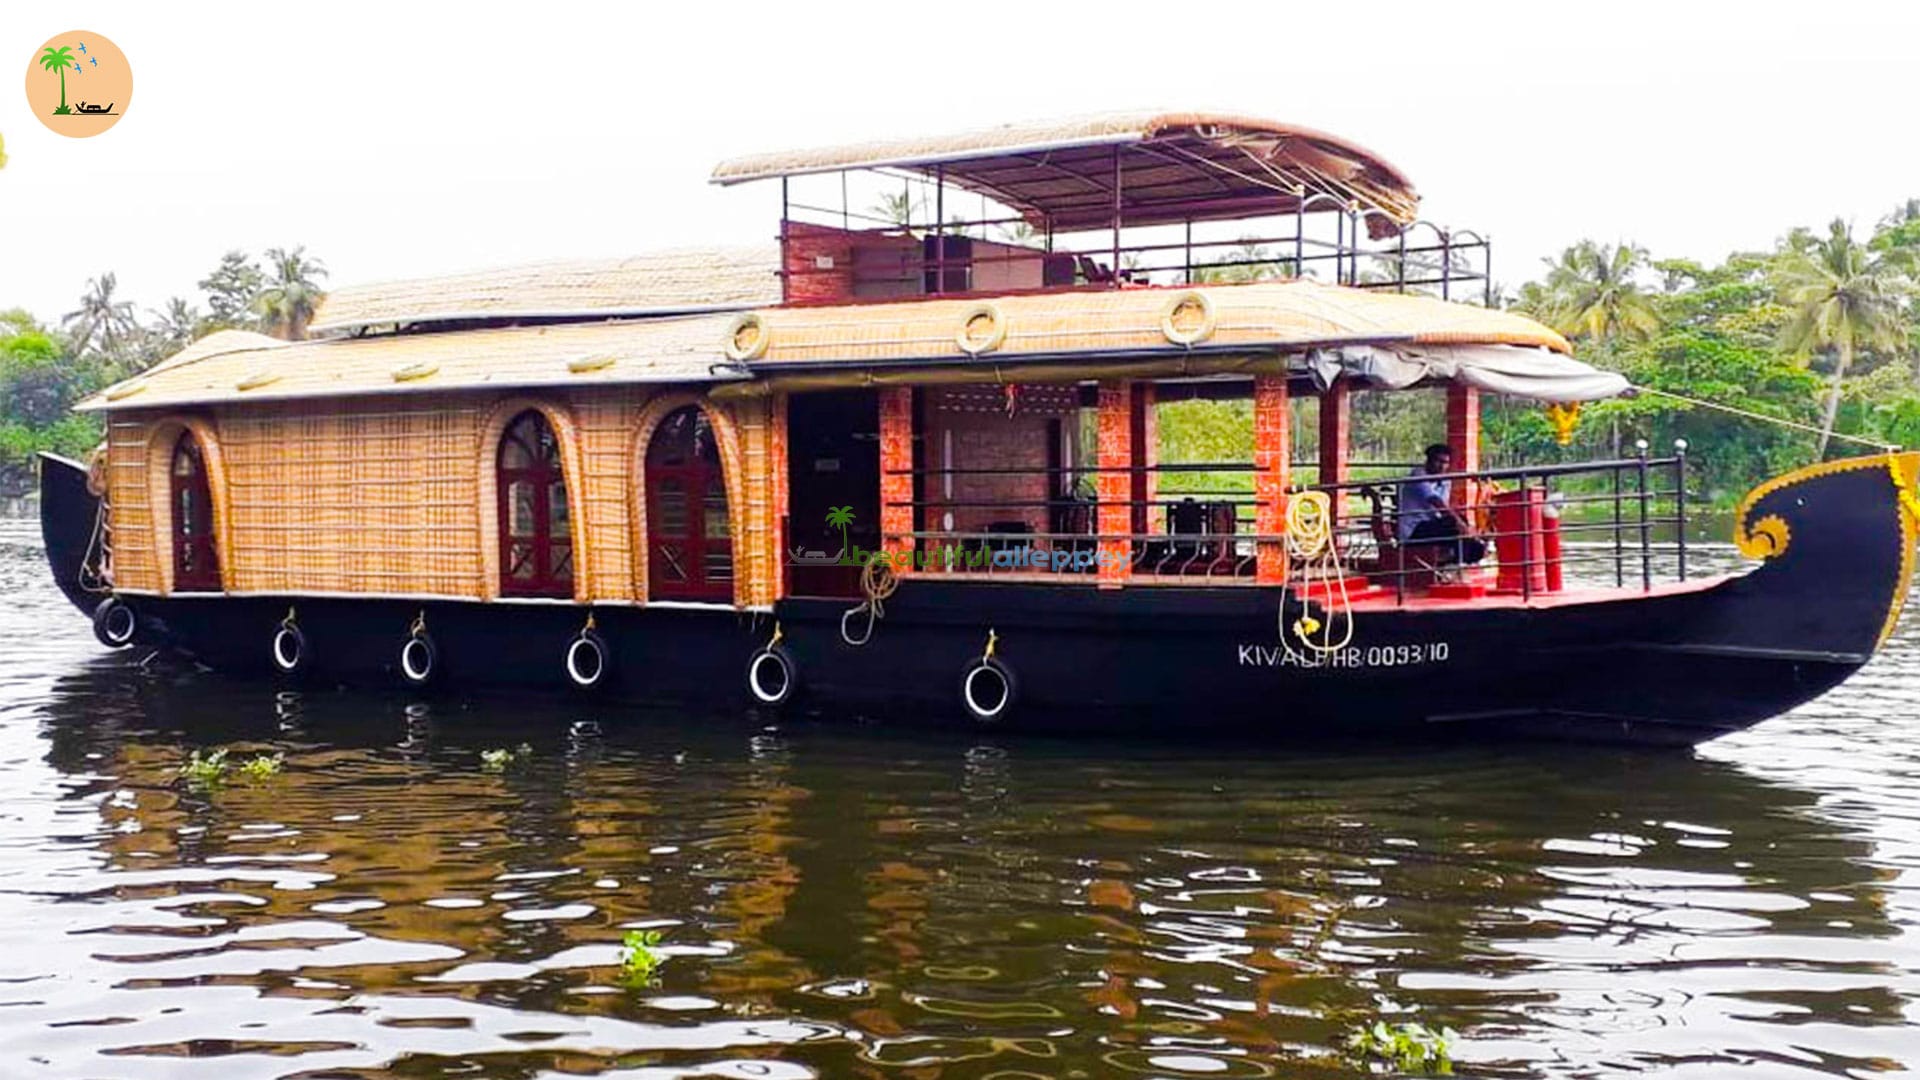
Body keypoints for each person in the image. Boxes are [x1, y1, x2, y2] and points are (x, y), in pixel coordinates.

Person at [1397, 443, 1486, 565]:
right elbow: (1436, 501)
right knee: (1455, 525)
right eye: (1438, 461)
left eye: (1445, 463)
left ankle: (1457, 560)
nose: (1441, 466)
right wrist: (1460, 525)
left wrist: (1463, 525)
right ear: (1428, 460)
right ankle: (1451, 562)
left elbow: (1445, 510)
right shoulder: (1417, 475)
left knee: (1472, 541)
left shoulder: (1445, 481)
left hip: (1431, 525)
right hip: (1414, 529)